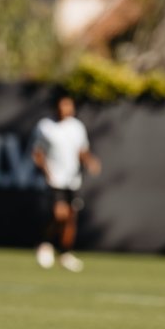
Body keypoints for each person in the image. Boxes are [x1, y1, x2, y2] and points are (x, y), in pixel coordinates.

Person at [31, 93, 100, 272]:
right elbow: (37, 153)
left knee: (70, 217)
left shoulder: (77, 127)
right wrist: (46, 172)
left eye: (69, 106)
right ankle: (45, 244)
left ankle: (65, 253)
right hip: (55, 179)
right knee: (59, 214)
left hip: (72, 179)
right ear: (56, 107)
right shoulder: (45, 126)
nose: (66, 109)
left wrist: (89, 161)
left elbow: (82, 150)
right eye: (63, 105)